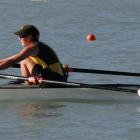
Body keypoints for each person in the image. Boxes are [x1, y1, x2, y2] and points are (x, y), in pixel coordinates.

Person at [0, 24, 67, 84]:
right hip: (56, 76)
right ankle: (27, 82)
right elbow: (11, 59)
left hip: (54, 80)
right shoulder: (37, 46)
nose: (19, 39)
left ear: (29, 37)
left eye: (21, 36)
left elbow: (13, 61)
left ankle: (27, 83)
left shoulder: (32, 48)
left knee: (24, 60)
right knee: (25, 59)